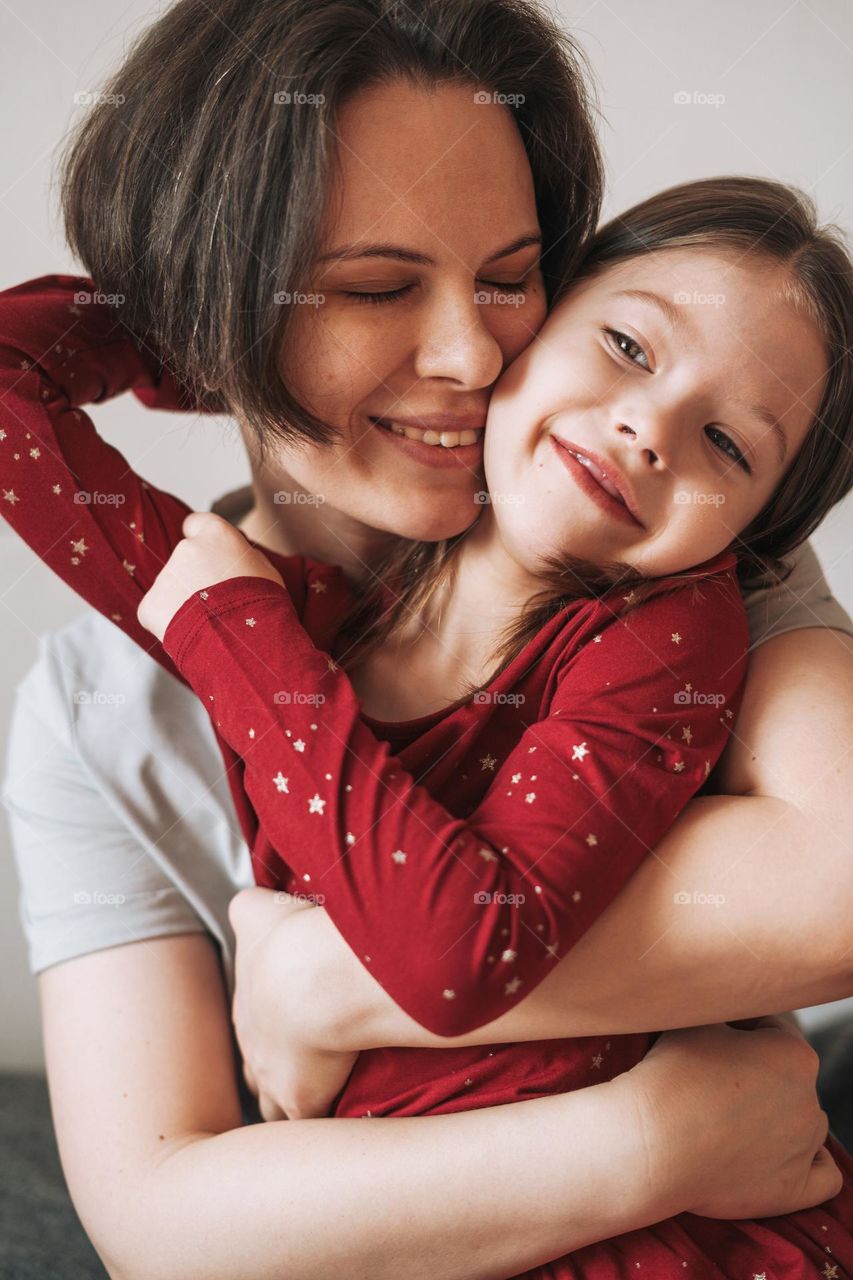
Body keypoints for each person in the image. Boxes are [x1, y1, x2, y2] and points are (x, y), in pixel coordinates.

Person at [2, 1, 851, 1276]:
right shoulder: (99, 706)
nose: (467, 353)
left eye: (509, 277)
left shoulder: (665, 550)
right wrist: (651, 1138)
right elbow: (159, 1222)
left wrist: (325, 983)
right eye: (374, 286)